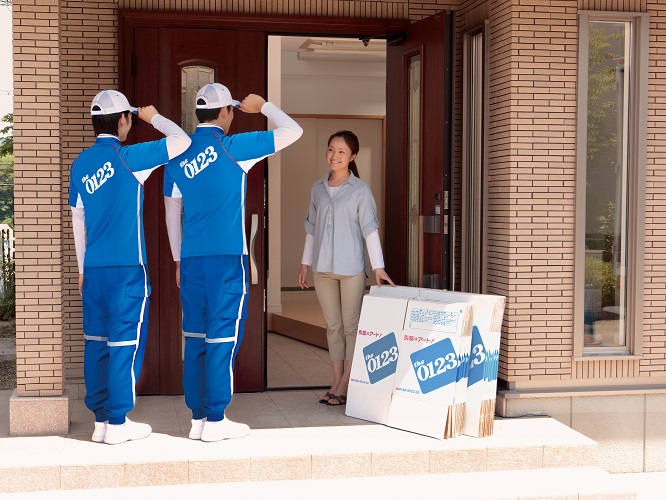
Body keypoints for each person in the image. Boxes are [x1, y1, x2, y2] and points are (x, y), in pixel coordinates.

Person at [163, 83, 303, 442]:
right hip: (226, 260)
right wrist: (264, 106)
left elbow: (171, 213)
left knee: (196, 338)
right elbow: (293, 131)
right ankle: (216, 419)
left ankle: (197, 418)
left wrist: (177, 260)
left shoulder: (177, 154)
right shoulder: (235, 147)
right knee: (222, 337)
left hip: (191, 260)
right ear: (226, 112)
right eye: (233, 111)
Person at [69, 90, 192, 444]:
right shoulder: (131, 157)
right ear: (123, 119)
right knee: (125, 343)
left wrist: (81, 269)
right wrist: (152, 117)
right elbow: (181, 141)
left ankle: (101, 421)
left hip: (94, 271)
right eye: (130, 119)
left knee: (97, 343)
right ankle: (118, 422)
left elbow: (77, 219)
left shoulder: (80, 164)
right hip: (127, 272)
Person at [298, 130, 395, 407]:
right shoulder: (317, 188)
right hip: (322, 269)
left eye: (341, 151)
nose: (334, 155)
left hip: (351, 267)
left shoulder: (360, 190)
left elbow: (370, 230)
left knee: (351, 327)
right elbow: (311, 229)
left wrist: (378, 267)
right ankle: (336, 381)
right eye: (331, 149)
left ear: (353, 156)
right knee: (333, 326)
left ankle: (345, 383)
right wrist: (305, 263)